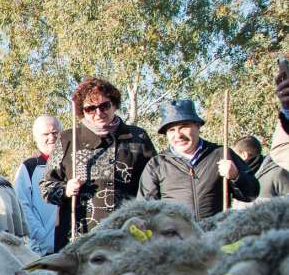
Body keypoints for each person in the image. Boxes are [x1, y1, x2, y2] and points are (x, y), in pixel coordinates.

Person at [41, 77, 156, 248]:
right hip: (80, 239)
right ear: (83, 111)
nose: (98, 113)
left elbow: (153, 185)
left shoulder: (138, 137)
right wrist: (65, 190)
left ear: (114, 105)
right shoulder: (67, 139)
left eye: (104, 106)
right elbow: (46, 187)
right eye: (90, 108)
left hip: (127, 237)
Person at [139, 100, 258, 221]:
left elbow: (251, 194)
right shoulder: (157, 164)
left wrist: (236, 176)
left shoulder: (222, 154)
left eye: (184, 126)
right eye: (171, 130)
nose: (178, 135)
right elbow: (145, 210)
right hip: (177, 233)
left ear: (198, 126)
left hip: (215, 231)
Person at [13, 115, 62, 254]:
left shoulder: (72, 163)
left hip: (72, 244)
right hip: (43, 250)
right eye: (46, 134)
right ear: (36, 137)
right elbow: (21, 204)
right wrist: (41, 236)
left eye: (55, 132)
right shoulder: (29, 167)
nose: (51, 137)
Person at [233, 135, 289, 202]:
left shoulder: (278, 173)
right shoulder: (242, 180)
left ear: (244, 155)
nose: (234, 161)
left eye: (235, 157)